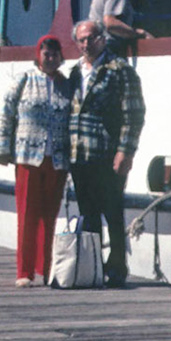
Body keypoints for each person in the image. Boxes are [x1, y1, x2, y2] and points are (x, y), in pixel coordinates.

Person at [67, 19, 145, 288]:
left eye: (91, 38)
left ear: (102, 38)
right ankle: (93, 267)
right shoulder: (74, 72)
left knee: (112, 211)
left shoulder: (120, 70)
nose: (86, 44)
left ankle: (117, 267)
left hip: (108, 153)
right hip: (79, 154)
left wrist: (126, 151)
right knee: (88, 213)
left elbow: (134, 113)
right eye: (81, 40)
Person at [0, 36, 74, 287]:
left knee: (49, 217)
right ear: (38, 55)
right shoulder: (24, 79)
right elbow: (6, 114)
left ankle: (46, 268)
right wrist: (2, 149)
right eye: (46, 54)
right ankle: (24, 272)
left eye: (54, 54)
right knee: (27, 215)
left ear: (61, 57)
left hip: (57, 160)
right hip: (28, 157)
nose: (50, 58)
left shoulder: (66, 85)